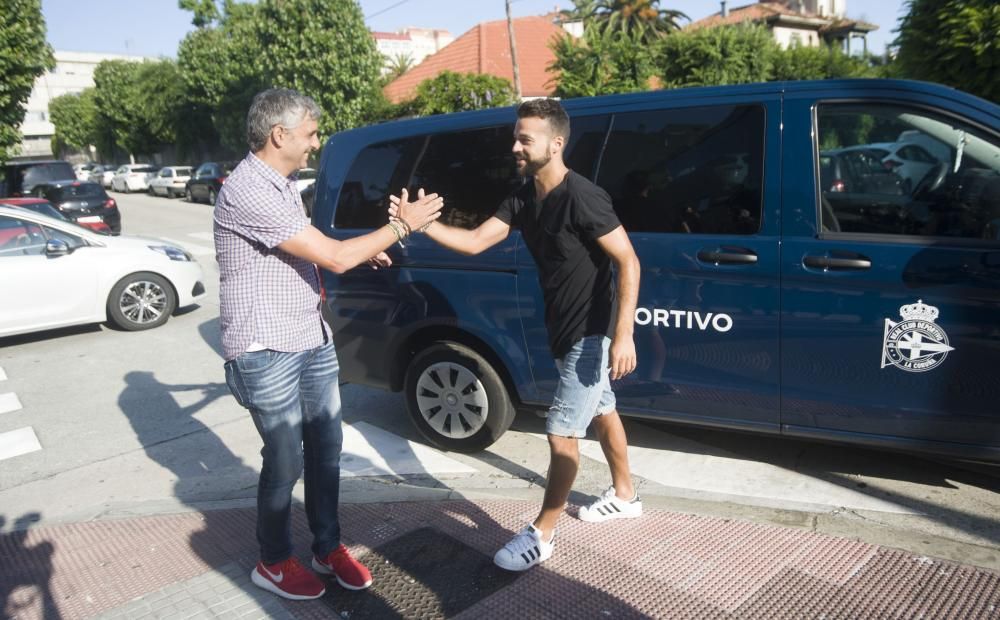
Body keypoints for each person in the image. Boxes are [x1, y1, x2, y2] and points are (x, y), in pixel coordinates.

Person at [390, 98, 642, 572]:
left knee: (561, 433)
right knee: (604, 409)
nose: (516, 147)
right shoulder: (524, 197)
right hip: (563, 330)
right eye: (516, 137)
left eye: (525, 139)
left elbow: (628, 260)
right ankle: (625, 494)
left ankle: (542, 535)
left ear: (557, 143)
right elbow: (475, 241)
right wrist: (420, 225)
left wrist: (622, 334)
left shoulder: (583, 197)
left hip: (590, 336)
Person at [214, 88, 442, 600]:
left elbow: (308, 246)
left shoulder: (282, 184)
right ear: (280, 135)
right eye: (312, 133)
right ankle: (272, 562)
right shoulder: (248, 188)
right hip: (265, 348)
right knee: (286, 460)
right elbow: (334, 256)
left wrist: (364, 251)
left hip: (310, 338)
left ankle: (326, 546)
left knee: (326, 451)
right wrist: (399, 227)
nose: (316, 142)